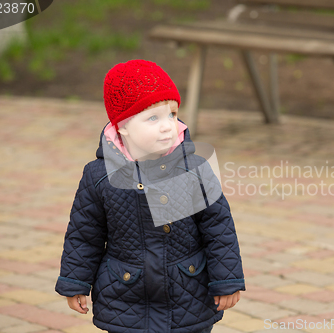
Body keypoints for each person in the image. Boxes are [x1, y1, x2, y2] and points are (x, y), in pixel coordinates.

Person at [55, 59, 245, 333]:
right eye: (153, 118)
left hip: (187, 293)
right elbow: (85, 233)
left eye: (172, 114)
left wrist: (227, 280)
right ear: (122, 126)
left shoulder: (194, 169)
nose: (168, 125)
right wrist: (75, 281)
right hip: (126, 295)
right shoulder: (99, 175)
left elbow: (219, 228)